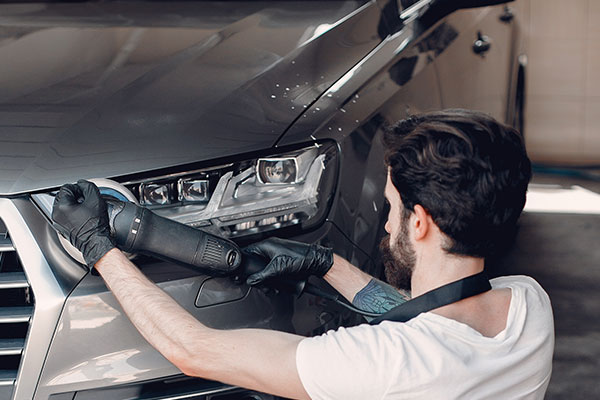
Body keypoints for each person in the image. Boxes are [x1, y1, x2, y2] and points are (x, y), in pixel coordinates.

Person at [52, 109, 554, 399]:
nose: (386, 221)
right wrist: (327, 264)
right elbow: (421, 316)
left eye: (392, 206)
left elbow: (193, 352)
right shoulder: (528, 306)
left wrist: (98, 247)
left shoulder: (385, 364)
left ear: (419, 222)